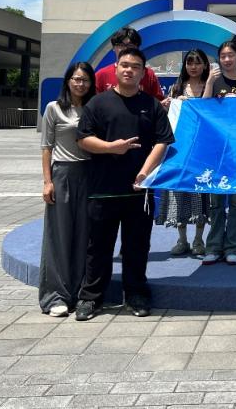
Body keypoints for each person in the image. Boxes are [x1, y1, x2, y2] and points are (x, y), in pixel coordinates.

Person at [74, 47, 174, 321]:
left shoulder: (151, 105)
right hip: (103, 190)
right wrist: (110, 147)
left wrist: (144, 172)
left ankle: (136, 294)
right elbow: (83, 139)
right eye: (125, 65)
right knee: (98, 247)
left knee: (137, 247)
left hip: (138, 192)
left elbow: (163, 141)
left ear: (143, 72)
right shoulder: (98, 103)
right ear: (116, 68)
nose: (129, 70)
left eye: (135, 66)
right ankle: (91, 297)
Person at [38, 62, 96, 317]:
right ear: (68, 81)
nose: (80, 84)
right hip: (62, 174)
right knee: (59, 236)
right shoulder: (54, 108)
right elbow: (46, 147)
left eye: (85, 80)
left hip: (89, 174)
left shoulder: (94, 108)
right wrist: (47, 181)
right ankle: (56, 296)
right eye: (76, 79)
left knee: (85, 235)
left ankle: (80, 291)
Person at [200, 37, 236, 265]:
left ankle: (234, 246)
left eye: (231, 55)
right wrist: (209, 84)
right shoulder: (214, 81)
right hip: (216, 151)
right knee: (215, 202)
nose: (227, 59)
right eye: (223, 56)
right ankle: (213, 247)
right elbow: (203, 109)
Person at [156, 49, 210, 258]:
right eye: (189, 62)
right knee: (178, 194)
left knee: (199, 193)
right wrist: (167, 106)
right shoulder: (176, 88)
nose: (193, 67)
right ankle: (182, 239)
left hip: (201, 151)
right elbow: (168, 118)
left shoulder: (208, 87)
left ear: (204, 65)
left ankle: (199, 239)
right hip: (179, 150)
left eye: (197, 62)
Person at [93, 26, 170, 107]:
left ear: (137, 48)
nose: (125, 49)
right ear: (113, 47)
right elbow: (95, 105)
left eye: (130, 45)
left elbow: (158, 103)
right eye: (121, 45)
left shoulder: (148, 74)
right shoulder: (101, 75)